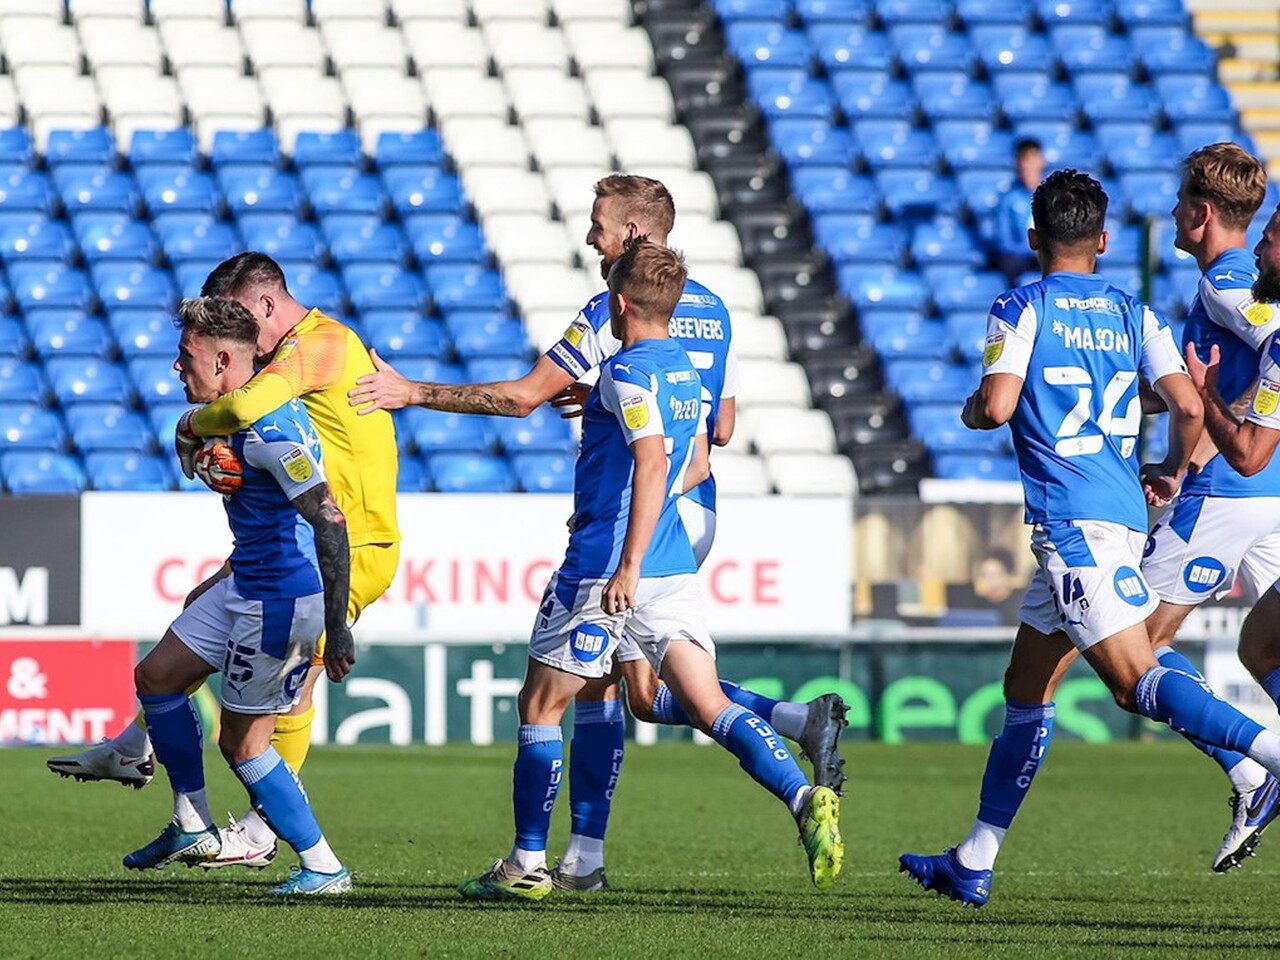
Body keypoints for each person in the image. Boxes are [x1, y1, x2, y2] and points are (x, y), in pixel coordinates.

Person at [348, 174, 847, 890]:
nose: (591, 238)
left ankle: (532, 861)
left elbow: (526, 399)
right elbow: (717, 433)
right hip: (684, 525)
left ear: (632, 242)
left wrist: (412, 392)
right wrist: (618, 413)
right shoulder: (709, 311)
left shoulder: (610, 320)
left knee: (557, 698)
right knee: (651, 693)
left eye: (600, 225)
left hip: (619, 543)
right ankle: (781, 765)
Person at [898, 169, 1280, 907]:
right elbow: (1186, 405)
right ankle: (974, 858)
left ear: (1033, 237)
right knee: (1026, 687)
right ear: (1103, 241)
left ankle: (1265, 759)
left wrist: (975, 409)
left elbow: (998, 405)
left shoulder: (1021, 306)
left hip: (1071, 522)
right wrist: (1170, 468)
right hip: (1117, 511)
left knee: (1135, 679)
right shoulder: (1135, 312)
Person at [456, 240, 843, 901]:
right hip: (673, 564)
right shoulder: (685, 372)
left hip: (608, 564)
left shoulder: (625, 371)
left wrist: (626, 562)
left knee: (540, 706)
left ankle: (526, 864)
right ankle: (802, 796)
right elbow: (694, 463)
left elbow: (653, 463)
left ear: (619, 303)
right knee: (707, 704)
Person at [49, 253, 401, 869]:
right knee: (174, 654)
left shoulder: (315, 348)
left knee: (275, 710)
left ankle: (286, 842)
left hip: (346, 547)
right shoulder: (282, 369)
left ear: (264, 305)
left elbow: (243, 411)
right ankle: (163, 781)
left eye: (236, 315)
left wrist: (190, 426)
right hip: (277, 554)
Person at [122, 297, 351, 895]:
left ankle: (323, 866)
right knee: (156, 678)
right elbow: (190, 447)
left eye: (187, 354)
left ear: (224, 360)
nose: (177, 366)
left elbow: (330, 521)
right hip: (243, 582)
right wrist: (197, 448)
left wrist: (337, 626)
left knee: (243, 742)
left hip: (280, 598)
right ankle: (190, 822)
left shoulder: (271, 430)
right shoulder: (228, 418)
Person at [1136, 144, 1280, 871]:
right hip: (1265, 493)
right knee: (1265, 647)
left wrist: (1215, 446)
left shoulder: (1227, 280)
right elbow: (1227, 381)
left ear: (1200, 211)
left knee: (1133, 646)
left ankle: (1253, 770)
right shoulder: (1231, 282)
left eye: (1178, 202)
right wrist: (1178, 462)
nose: (1171, 213)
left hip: (1230, 495)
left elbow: (1277, 341)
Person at [992, 138, 1045, 286]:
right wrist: (1030, 251)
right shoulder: (1007, 199)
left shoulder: (1052, 195)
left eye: (1031, 159)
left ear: (1041, 161)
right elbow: (1003, 240)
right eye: (1023, 159)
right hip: (1022, 259)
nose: (1027, 165)